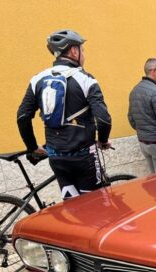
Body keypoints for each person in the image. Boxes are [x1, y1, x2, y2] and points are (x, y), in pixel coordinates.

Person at [17, 29, 112, 200]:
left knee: (72, 203)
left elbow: (22, 117)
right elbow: (104, 119)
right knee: (95, 205)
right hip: (84, 157)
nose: (84, 55)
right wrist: (103, 140)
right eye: (83, 51)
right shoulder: (86, 80)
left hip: (56, 156)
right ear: (74, 51)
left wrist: (32, 147)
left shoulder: (37, 79)